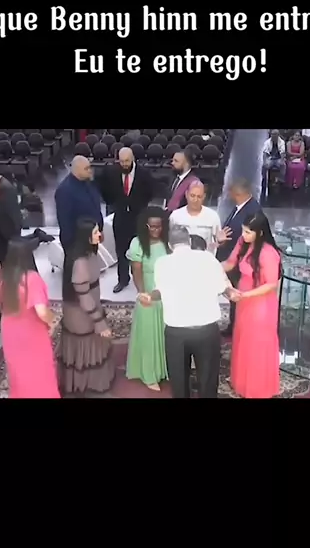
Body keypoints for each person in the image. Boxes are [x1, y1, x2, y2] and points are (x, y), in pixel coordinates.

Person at [143, 225, 237, 399]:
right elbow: (223, 287)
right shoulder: (207, 259)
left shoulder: (162, 263)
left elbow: (159, 291)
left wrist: (150, 297)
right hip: (207, 330)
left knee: (179, 380)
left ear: (169, 245)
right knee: (208, 380)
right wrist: (231, 292)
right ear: (189, 241)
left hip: (176, 332)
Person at [222, 212, 282, 399]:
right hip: (244, 298)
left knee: (257, 344)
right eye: (243, 231)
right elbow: (230, 263)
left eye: (248, 232)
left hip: (260, 304)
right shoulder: (243, 242)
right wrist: (210, 267)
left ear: (260, 233)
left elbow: (271, 285)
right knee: (242, 338)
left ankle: (257, 388)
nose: (244, 235)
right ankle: (241, 381)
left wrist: (245, 295)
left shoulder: (269, 254)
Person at [0, 238, 60, 398]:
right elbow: (42, 312)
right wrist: (53, 319)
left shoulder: (1, 275)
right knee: (39, 371)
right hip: (31, 331)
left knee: (18, 371)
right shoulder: (31, 278)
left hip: (10, 330)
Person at [59, 217, 115, 396]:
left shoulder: (88, 252)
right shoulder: (81, 262)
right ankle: (86, 384)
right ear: (86, 236)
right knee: (89, 344)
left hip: (86, 305)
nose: (100, 234)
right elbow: (84, 297)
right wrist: (99, 323)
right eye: (96, 232)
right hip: (81, 313)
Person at [126, 206, 170, 391]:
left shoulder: (168, 242)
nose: (155, 230)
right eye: (152, 226)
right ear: (145, 226)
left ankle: (165, 369)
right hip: (148, 293)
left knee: (167, 334)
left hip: (167, 294)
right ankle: (148, 374)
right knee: (149, 335)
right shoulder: (138, 243)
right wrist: (142, 293)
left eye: (159, 226)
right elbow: (136, 271)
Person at [100, 147, 154, 293]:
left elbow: (150, 193)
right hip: (120, 217)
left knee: (140, 250)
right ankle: (123, 279)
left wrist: (139, 205)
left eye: (127, 161)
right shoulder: (112, 172)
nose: (124, 164)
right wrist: (115, 203)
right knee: (121, 250)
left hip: (139, 217)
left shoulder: (144, 173)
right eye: (121, 161)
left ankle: (140, 278)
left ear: (133, 159)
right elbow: (105, 192)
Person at [217, 179, 260, 337]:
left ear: (238, 194)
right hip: (231, 260)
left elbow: (248, 239)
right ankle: (234, 325)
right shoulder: (240, 208)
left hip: (240, 263)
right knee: (234, 297)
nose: (229, 195)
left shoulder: (252, 211)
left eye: (231, 192)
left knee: (239, 296)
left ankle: (238, 328)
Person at [55, 156, 104, 253]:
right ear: (76, 170)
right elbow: (65, 222)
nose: (90, 170)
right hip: (76, 244)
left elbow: (96, 208)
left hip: (92, 238)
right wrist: (72, 246)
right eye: (86, 168)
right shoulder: (64, 190)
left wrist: (100, 229)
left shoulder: (89, 183)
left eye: (90, 167)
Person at [169, 180, 221, 252]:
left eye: (199, 196)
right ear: (186, 194)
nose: (195, 200)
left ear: (204, 197)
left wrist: (221, 242)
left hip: (204, 257)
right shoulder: (175, 216)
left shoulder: (213, 216)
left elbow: (219, 241)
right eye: (192, 196)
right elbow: (171, 239)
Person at [166, 147, 200, 212]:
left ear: (186, 164)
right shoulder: (173, 178)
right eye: (172, 160)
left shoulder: (194, 182)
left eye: (176, 161)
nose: (172, 163)